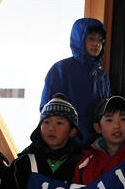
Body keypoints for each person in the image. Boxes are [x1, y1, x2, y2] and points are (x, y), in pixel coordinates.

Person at [40, 17, 110, 145]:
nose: (97, 44)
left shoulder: (102, 77)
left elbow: (107, 112)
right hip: (67, 144)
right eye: (91, 38)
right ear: (79, 39)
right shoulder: (61, 69)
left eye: (100, 40)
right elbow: (47, 110)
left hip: (96, 144)